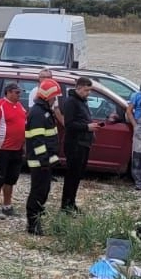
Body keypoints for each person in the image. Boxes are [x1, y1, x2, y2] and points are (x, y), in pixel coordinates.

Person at [58, 76, 103, 213]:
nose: (88, 93)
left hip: (84, 143)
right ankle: (66, 205)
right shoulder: (71, 102)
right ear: (78, 88)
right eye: (86, 90)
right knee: (72, 175)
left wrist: (91, 126)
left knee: (77, 175)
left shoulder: (82, 101)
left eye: (90, 90)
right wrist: (87, 127)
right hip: (75, 143)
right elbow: (69, 124)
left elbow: (83, 119)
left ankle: (71, 203)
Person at [23, 81, 62, 235]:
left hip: (44, 161)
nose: (55, 100)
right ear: (47, 96)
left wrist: (52, 158)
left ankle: (37, 217)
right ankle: (33, 224)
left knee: (43, 191)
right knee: (38, 192)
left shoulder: (44, 111)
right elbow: (38, 140)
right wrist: (44, 160)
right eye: (54, 97)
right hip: (39, 162)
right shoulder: (38, 113)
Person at [0, 82, 27, 219]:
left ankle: (7, 206)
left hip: (17, 149)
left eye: (20, 92)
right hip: (2, 149)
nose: (19, 95)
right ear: (8, 92)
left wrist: (24, 145)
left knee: (11, 179)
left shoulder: (20, 106)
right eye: (17, 92)